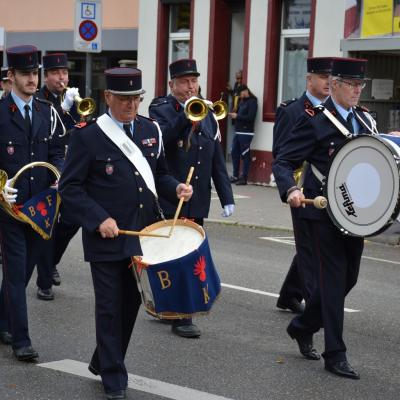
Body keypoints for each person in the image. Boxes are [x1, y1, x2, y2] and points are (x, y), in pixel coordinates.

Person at [59, 67, 193, 400]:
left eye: (136, 99)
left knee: (132, 303)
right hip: (105, 235)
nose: (131, 106)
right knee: (109, 306)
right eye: (124, 100)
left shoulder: (150, 129)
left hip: (142, 235)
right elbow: (70, 187)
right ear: (108, 98)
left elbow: (159, 174)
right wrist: (98, 218)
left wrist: (176, 186)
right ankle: (114, 377)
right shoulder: (87, 135)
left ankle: (102, 358)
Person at [273, 57, 375, 379]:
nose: (358, 91)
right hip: (320, 214)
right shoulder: (314, 122)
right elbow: (283, 161)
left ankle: (302, 326)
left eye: (361, 85)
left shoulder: (365, 121)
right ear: (334, 86)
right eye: (352, 85)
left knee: (349, 278)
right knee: (331, 283)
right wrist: (290, 188)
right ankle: (336, 354)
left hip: (354, 216)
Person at [149, 58, 235, 338]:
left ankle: (168, 306)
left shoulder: (208, 113)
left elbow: (215, 160)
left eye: (194, 81)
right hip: (170, 196)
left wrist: (226, 196)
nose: (190, 87)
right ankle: (181, 316)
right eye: (184, 82)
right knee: (177, 258)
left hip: (196, 198)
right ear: (172, 84)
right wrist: (187, 114)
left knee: (187, 254)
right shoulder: (160, 108)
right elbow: (165, 136)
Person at [0, 45, 64, 360]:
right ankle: (20, 339)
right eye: (25, 74)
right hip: (10, 208)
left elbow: (56, 151)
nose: (32, 79)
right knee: (14, 273)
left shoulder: (44, 110)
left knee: (24, 271)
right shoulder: (0, 113)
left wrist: (59, 175)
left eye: (34, 73)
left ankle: (2, 320)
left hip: (40, 207)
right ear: (10, 76)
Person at [273, 57, 333, 314]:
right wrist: (291, 187)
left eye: (332, 78)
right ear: (309, 79)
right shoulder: (293, 110)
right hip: (302, 189)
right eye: (322, 77)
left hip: (329, 190)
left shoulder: (335, 109)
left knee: (313, 245)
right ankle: (312, 313)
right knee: (309, 248)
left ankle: (289, 294)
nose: (328, 82)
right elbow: (281, 154)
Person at [35, 52, 81, 300]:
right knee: (47, 225)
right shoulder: (40, 99)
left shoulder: (73, 98)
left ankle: (51, 261)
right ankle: (44, 282)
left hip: (72, 169)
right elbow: (50, 132)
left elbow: (82, 131)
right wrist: (62, 111)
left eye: (64, 73)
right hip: (48, 169)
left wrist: (78, 111)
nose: (61, 77)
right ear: (47, 76)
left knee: (73, 220)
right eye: (55, 73)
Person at [228, 84, 258, 185]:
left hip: (246, 132)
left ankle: (244, 177)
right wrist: (234, 114)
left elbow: (250, 117)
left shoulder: (253, 101)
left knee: (245, 154)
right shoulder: (242, 102)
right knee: (234, 152)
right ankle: (235, 175)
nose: (240, 96)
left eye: (240, 94)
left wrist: (237, 116)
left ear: (246, 91)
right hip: (238, 131)